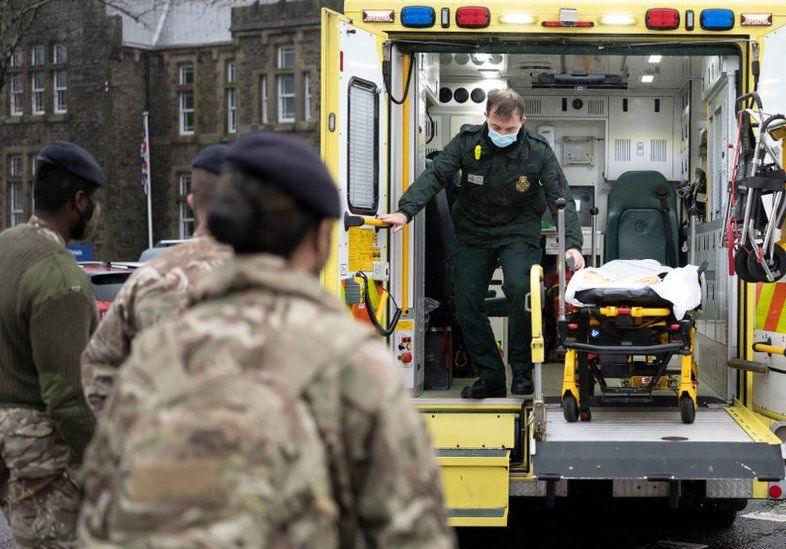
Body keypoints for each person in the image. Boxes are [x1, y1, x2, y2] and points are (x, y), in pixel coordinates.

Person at [79, 133, 455, 548]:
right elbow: (411, 530)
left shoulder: (155, 354)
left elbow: (102, 506)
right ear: (321, 240)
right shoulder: (349, 358)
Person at [380, 89, 585, 399]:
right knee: (464, 303)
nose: (503, 134)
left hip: (518, 232)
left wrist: (571, 243)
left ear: (522, 122)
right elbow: (436, 173)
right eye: (496, 127)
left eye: (510, 129)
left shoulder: (538, 151)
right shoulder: (467, 143)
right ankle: (490, 375)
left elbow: (561, 197)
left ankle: (521, 371)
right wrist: (405, 210)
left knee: (522, 291)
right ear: (486, 117)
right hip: (474, 233)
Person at [0, 141, 103, 547]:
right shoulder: (61, 276)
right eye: (94, 201)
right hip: (39, 450)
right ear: (78, 202)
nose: (96, 211)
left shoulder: (5, 246)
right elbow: (67, 397)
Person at [81, 143, 232, 414]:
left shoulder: (151, 278)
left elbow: (98, 368)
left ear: (192, 202)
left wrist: (126, 437)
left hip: (160, 446)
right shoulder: (277, 281)